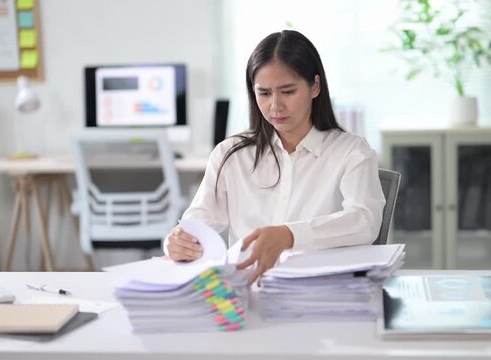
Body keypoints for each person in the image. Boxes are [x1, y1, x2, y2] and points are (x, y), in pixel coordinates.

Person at [164, 30, 384, 283]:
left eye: (288, 92)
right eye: (264, 93)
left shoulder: (352, 152)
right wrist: (180, 242)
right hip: (248, 293)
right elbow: (198, 225)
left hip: (321, 293)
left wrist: (290, 235)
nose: (275, 105)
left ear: (315, 86)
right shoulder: (230, 155)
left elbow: (364, 221)